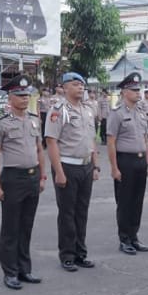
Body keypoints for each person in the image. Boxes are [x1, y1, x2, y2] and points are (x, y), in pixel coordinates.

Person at [0, 75, 46, 290]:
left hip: (32, 177)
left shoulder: (34, 120)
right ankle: (10, 272)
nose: (24, 98)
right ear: (10, 97)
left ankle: (24, 269)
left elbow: (39, 149)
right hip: (12, 178)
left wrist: (42, 176)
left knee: (26, 226)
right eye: (20, 95)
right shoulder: (0, 123)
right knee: (11, 228)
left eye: (26, 95)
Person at [44, 72, 99, 272]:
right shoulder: (58, 110)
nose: (80, 88)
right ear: (65, 87)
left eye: (82, 85)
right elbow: (51, 141)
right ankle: (67, 255)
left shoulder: (87, 109)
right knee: (67, 213)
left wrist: (95, 165)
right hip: (67, 165)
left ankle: (80, 253)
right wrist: (58, 171)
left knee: (82, 212)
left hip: (86, 166)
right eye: (76, 85)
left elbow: (91, 139)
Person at [107, 72, 148, 255]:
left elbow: (145, 138)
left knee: (137, 201)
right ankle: (124, 239)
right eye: (133, 90)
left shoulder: (140, 113)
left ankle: (134, 236)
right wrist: (114, 168)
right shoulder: (116, 114)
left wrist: (147, 162)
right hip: (125, 161)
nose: (137, 92)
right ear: (124, 92)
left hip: (140, 161)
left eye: (138, 89)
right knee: (125, 202)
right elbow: (111, 141)